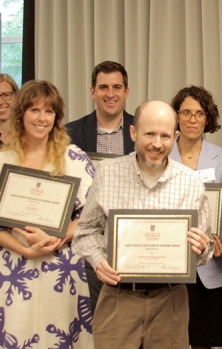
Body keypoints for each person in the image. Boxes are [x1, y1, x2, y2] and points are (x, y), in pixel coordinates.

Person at [73, 100, 213, 348]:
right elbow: (85, 232)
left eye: (165, 136)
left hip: (170, 302)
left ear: (175, 136)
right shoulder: (107, 173)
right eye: (149, 134)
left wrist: (202, 249)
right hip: (118, 299)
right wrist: (98, 260)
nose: (157, 144)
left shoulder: (191, 182)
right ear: (133, 132)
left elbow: (205, 251)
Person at [0, 80, 95, 348]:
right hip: (14, 265)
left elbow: (91, 214)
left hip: (63, 264)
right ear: (21, 115)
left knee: (62, 334)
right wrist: (26, 249)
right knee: (17, 333)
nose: (42, 118)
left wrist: (59, 237)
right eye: (35, 111)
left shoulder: (74, 160)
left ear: (57, 118)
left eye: (49, 112)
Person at [66, 60, 135, 312]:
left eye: (117, 87)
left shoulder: (142, 131)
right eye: (103, 87)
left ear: (126, 92)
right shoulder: (68, 134)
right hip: (81, 239)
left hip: (129, 238)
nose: (110, 94)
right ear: (92, 91)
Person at [168, 86, 222, 349]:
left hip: (209, 264)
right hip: (170, 261)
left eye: (199, 113)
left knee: (203, 342)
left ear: (208, 118)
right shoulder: (161, 153)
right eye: (186, 112)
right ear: (176, 116)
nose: (192, 120)